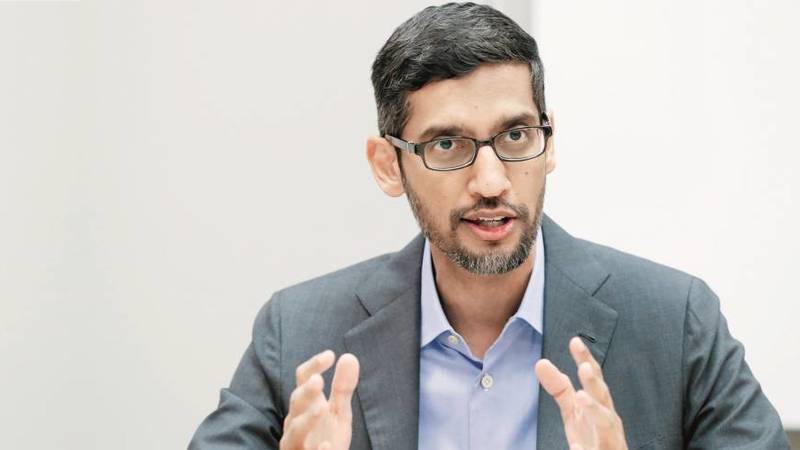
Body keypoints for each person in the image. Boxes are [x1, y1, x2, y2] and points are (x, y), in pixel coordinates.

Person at [189, 3, 789, 449]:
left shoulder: (676, 323)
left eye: (516, 135)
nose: (492, 181)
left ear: (549, 143)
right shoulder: (298, 333)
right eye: (447, 144)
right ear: (388, 165)